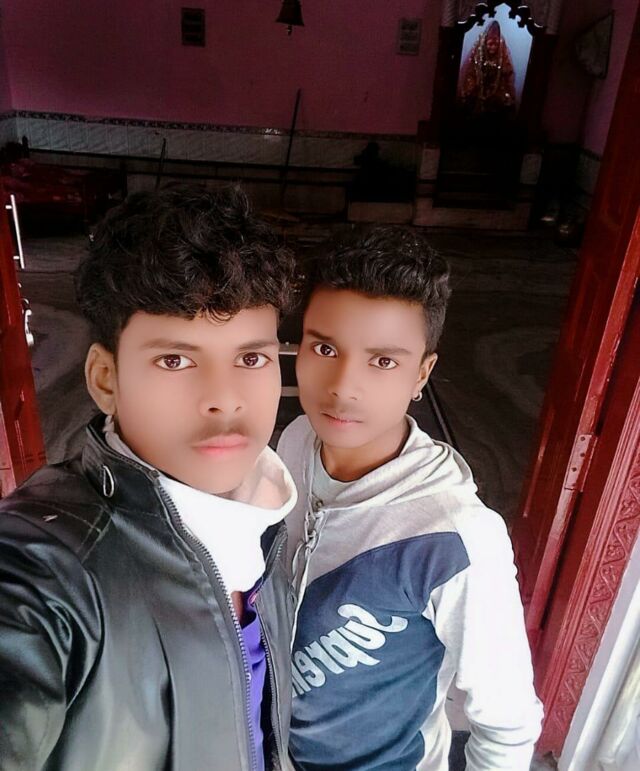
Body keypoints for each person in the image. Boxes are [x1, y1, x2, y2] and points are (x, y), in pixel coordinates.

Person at [0, 185, 298, 770]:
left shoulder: (267, 522)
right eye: (175, 360)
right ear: (105, 379)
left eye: (251, 358)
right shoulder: (49, 566)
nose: (224, 398)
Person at [277, 227, 544, 770]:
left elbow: (509, 723)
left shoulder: (455, 537)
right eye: (325, 348)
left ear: (422, 373)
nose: (342, 386)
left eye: (383, 361)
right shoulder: (297, 440)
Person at [458, 20, 516, 115]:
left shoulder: (502, 51)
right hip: (478, 91)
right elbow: (471, 72)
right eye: (490, 44)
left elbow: (508, 73)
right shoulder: (479, 52)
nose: (493, 47)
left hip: (496, 95)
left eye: (495, 45)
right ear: (485, 43)